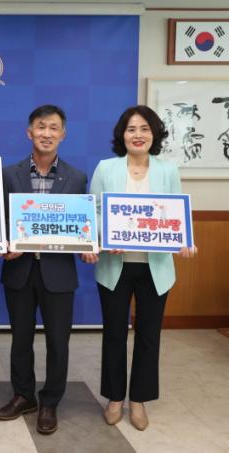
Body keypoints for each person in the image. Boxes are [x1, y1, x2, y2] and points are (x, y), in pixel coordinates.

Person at [88, 105, 197, 431]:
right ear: (122, 135)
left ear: (154, 134)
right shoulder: (106, 168)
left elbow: (176, 213)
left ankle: (138, 400)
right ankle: (115, 398)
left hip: (155, 267)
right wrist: (106, 235)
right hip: (115, 266)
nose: (138, 135)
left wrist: (184, 240)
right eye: (131, 129)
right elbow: (94, 211)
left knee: (149, 336)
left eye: (145, 129)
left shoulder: (167, 170)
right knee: (114, 334)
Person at [0, 105, 87, 435]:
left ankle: (50, 402)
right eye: (41, 127)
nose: (47, 133)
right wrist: (3, 243)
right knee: (20, 339)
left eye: (54, 128)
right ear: (29, 132)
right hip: (19, 270)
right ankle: (24, 396)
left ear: (63, 134)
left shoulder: (77, 177)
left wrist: (87, 245)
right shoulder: (9, 174)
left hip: (59, 273)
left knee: (58, 343)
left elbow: (80, 224)